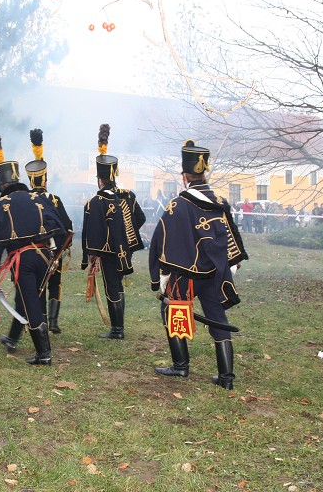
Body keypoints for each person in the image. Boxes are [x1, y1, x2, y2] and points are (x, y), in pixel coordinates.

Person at [148, 140, 248, 389]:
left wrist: (160, 278)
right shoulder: (221, 203)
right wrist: (230, 267)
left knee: (172, 311)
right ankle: (226, 378)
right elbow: (232, 239)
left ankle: (181, 367)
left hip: (186, 275)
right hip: (215, 274)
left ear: (185, 176)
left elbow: (161, 243)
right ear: (204, 173)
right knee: (218, 320)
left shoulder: (178, 206)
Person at [0, 134, 66, 365]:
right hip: (44, 256)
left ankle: (44, 354)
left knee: (31, 303)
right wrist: (54, 252)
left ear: (1, 184)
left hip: (24, 260)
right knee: (27, 299)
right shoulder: (38, 197)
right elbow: (59, 225)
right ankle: (13, 339)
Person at [81, 124, 146, 340]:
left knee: (112, 289)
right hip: (124, 251)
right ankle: (119, 327)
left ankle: (117, 330)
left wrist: (92, 255)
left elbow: (93, 234)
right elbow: (140, 218)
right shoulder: (129, 195)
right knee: (118, 287)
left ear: (100, 179)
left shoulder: (96, 202)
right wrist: (128, 237)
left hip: (109, 254)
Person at [25, 128, 73, 334]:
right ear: (44, 180)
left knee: (37, 286)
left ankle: (42, 320)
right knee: (55, 283)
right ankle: (53, 322)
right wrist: (63, 246)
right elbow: (67, 225)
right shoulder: (54, 200)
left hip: (32, 250)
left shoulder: (25, 201)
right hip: (53, 251)